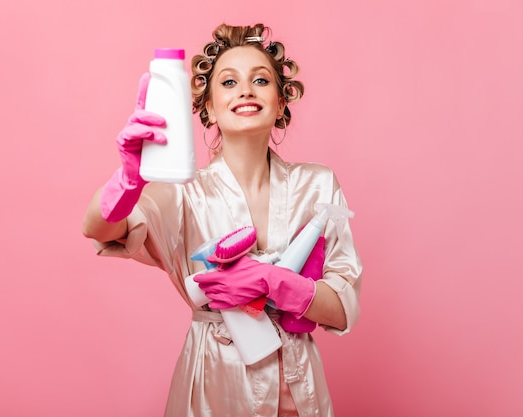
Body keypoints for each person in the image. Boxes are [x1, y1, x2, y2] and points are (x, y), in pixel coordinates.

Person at [83, 23, 362, 417]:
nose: (245, 90)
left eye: (261, 80)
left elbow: (343, 309)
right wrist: (127, 180)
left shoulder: (317, 184)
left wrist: (276, 283)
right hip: (213, 384)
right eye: (228, 82)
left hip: (298, 388)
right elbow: (100, 230)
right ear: (209, 108)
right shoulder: (181, 191)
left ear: (281, 103)